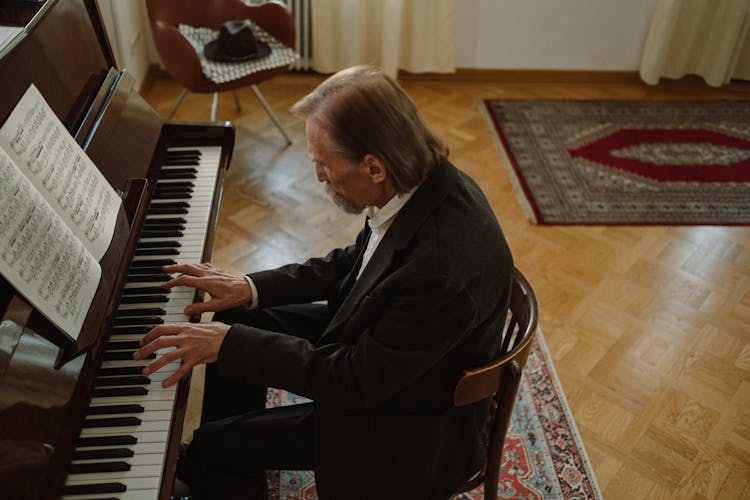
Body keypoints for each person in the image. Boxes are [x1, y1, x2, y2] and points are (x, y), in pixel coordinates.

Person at [134, 65, 514, 500]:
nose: (318, 176)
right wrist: (250, 286)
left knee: (217, 438)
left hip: (403, 426)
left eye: (323, 164)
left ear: (372, 166)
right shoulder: (420, 180)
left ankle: (220, 458)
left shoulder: (440, 270)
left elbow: (352, 381)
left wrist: (229, 344)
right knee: (231, 314)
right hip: (383, 352)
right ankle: (229, 464)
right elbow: (354, 262)